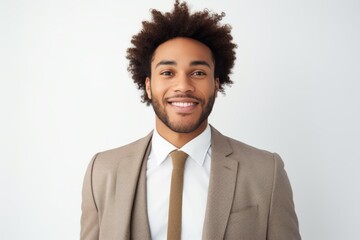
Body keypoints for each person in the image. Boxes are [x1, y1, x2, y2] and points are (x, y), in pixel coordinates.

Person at [80, 1, 301, 239]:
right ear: (148, 85)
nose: (183, 86)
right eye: (167, 73)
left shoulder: (266, 172)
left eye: (198, 73)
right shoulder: (102, 171)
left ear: (216, 84)